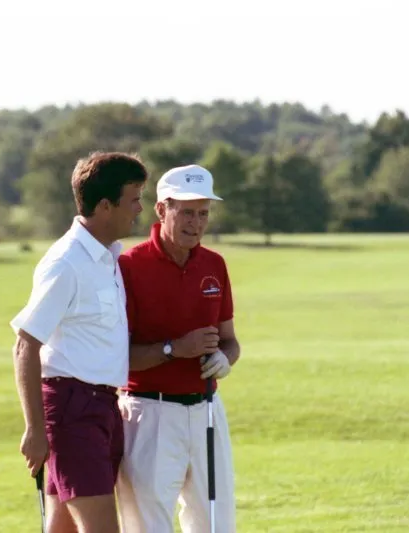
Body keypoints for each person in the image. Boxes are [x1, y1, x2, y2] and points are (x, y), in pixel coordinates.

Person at [9, 151, 148, 533]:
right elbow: (25, 345)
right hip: (72, 412)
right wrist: (35, 428)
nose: (139, 208)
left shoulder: (107, 258)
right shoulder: (66, 263)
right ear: (105, 206)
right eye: (133, 198)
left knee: (62, 528)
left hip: (101, 407)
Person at [115, 164, 241, 533]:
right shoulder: (129, 266)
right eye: (186, 212)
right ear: (161, 209)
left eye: (203, 213)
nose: (196, 223)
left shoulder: (214, 265)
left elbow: (230, 340)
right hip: (149, 413)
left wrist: (225, 359)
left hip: (206, 413)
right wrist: (174, 349)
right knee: (148, 526)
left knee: (216, 525)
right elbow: (119, 357)